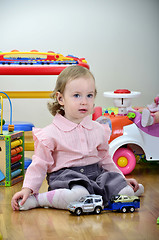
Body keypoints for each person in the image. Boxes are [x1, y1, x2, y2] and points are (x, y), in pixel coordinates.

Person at [11, 66, 144, 211]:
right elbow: (40, 164)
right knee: (79, 195)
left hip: (96, 176)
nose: (84, 101)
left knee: (126, 192)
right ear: (60, 98)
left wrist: (121, 180)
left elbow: (105, 159)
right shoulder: (50, 134)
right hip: (67, 178)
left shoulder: (98, 129)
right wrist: (28, 189)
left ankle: (119, 190)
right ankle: (38, 200)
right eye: (77, 95)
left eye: (89, 95)